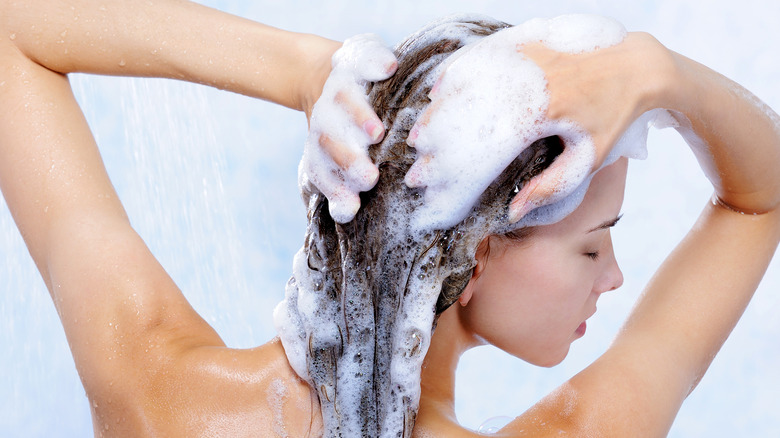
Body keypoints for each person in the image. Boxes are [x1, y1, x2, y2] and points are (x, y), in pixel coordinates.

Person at [1, 3, 777, 438]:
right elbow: (762, 197)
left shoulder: (159, 391)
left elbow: (15, 36)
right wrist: (654, 70)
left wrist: (307, 70)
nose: (614, 278)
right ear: (470, 259)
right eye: (590, 247)